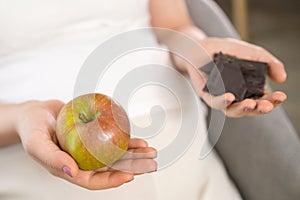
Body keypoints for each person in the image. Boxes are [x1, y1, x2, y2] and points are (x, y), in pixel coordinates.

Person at [0, 0, 287, 199]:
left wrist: (199, 54)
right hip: (33, 158)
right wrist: (22, 118)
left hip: (187, 157)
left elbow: (174, 25)